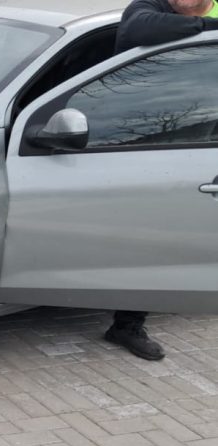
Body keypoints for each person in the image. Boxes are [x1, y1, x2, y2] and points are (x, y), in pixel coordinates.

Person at [104, 0, 218, 361]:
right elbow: (138, 29)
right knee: (154, 236)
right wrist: (207, 28)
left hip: (204, 128)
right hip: (147, 137)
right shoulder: (147, 9)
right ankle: (127, 325)